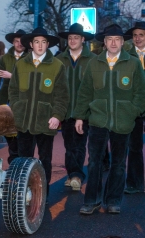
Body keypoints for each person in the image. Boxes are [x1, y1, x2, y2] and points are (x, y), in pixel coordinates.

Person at [74, 24, 145, 215]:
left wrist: (133, 111)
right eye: (110, 39)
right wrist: (80, 116)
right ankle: (92, 201)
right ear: (104, 43)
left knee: (119, 163)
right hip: (98, 120)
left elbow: (140, 92)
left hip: (123, 121)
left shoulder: (133, 63)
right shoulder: (94, 63)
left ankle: (113, 200)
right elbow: (85, 92)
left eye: (117, 39)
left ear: (123, 42)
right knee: (95, 161)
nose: (113, 43)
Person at [9, 27, 70, 201]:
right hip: (24, 122)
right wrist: (17, 108)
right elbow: (13, 90)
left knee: (44, 161)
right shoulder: (21, 64)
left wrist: (57, 116)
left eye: (44, 42)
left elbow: (62, 95)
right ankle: (24, 196)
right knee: (23, 161)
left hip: (46, 122)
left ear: (48, 44)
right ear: (30, 44)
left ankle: (42, 197)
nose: (40, 45)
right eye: (37, 42)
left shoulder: (57, 66)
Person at [56, 23, 95, 191]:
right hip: (65, 110)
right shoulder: (59, 60)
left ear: (83, 39)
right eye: (70, 38)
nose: (72, 40)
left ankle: (76, 176)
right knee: (69, 145)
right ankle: (72, 174)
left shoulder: (92, 60)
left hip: (84, 111)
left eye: (76, 38)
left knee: (79, 145)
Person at [0, 29, 27, 164]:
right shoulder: (5, 58)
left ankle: (21, 162)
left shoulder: (30, 58)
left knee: (22, 134)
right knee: (9, 133)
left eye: (21, 41)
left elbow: (31, 78)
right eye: (16, 41)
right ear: (13, 42)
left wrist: (12, 76)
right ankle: (14, 161)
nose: (19, 44)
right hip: (6, 99)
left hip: (23, 100)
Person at [123, 21, 145, 194]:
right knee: (134, 146)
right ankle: (134, 182)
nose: (137, 38)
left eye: (141, 35)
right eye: (135, 35)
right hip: (135, 107)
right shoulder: (127, 56)